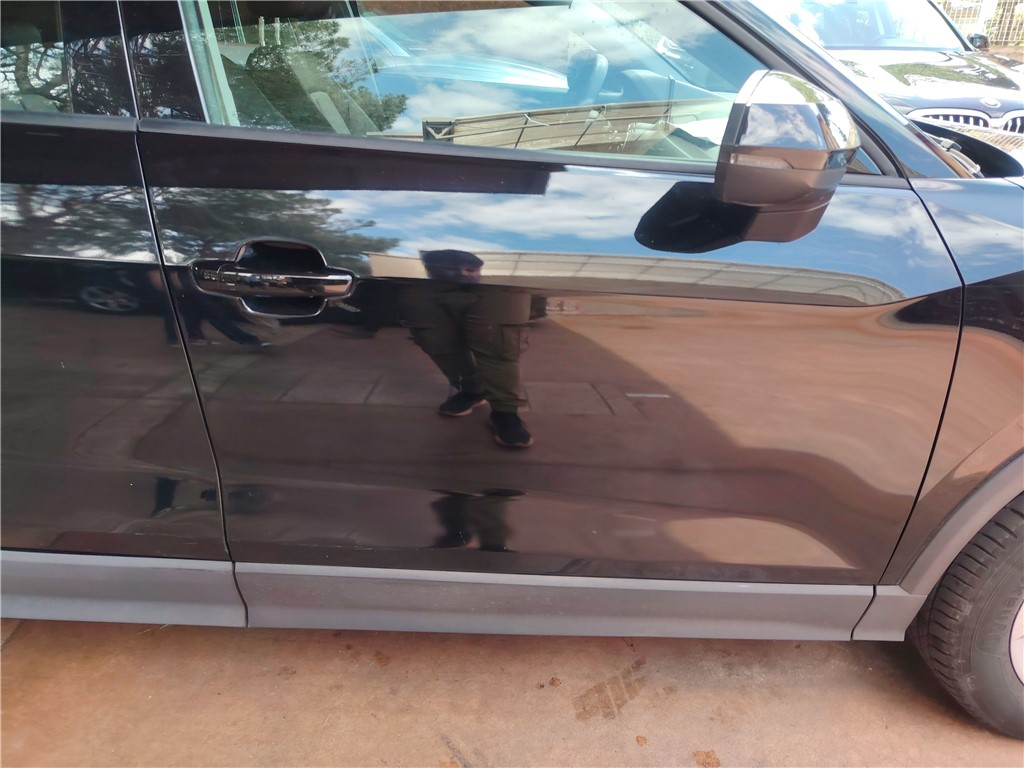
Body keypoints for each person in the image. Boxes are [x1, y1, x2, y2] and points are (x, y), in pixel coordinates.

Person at [400, 249, 534, 448]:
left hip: (496, 285)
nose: (462, 273)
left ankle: (505, 411)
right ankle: (472, 391)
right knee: (437, 342)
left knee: (499, 347)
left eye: (470, 269)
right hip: (423, 286)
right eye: (451, 267)